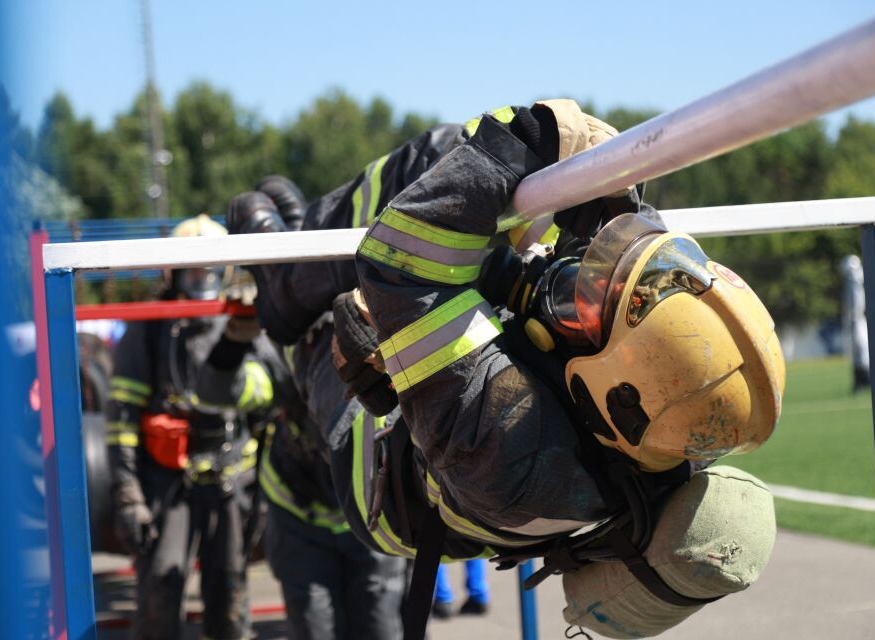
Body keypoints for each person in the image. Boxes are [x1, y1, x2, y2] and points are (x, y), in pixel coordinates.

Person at [226, 99, 785, 639]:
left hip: (373, 455)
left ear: (608, 395)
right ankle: (293, 247)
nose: (578, 286)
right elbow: (643, 279)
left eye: (585, 304)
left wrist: (521, 141)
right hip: (474, 433)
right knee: (457, 178)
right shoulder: (673, 414)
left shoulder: (512, 449)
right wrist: (607, 190)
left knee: (358, 302)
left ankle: (281, 286)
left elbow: (403, 266)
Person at [105, 214, 284, 640]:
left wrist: (266, 490)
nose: (202, 274)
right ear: (172, 269)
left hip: (232, 479)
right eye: (193, 265)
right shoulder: (150, 326)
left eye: (210, 265)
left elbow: (273, 410)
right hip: (167, 483)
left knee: (229, 594)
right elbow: (120, 419)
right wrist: (129, 493)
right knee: (161, 591)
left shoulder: (244, 322)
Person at [251, 177, 407, 640]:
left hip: (370, 506)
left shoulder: (370, 311)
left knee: (381, 627)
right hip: (299, 511)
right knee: (316, 628)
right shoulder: (273, 334)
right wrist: (230, 344)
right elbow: (231, 392)